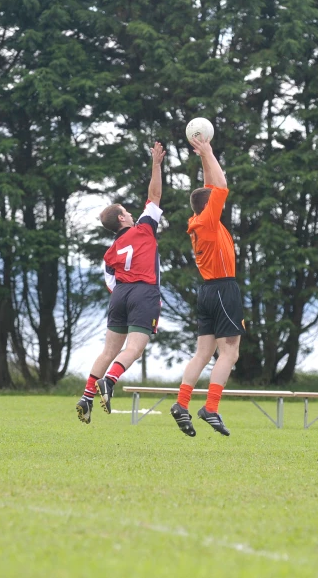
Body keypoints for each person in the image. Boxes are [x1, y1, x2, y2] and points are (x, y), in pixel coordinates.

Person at [76, 142, 166, 424]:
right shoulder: (144, 228)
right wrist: (156, 164)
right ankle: (110, 381)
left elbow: (111, 283)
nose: (130, 213)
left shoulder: (110, 251)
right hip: (143, 291)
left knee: (109, 350)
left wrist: (127, 294)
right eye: (126, 211)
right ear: (122, 218)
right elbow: (154, 194)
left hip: (120, 295)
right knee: (135, 349)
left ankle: (86, 396)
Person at [170, 137, 245, 437]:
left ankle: (181, 403)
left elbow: (210, 185)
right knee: (230, 353)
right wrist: (211, 152)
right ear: (209, 205)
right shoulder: (211, 221)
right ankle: (211, 407)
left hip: (206, 291)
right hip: (224, 290)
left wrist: (203, 156)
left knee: (203, 353)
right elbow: (222, 185)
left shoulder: (198, 219)